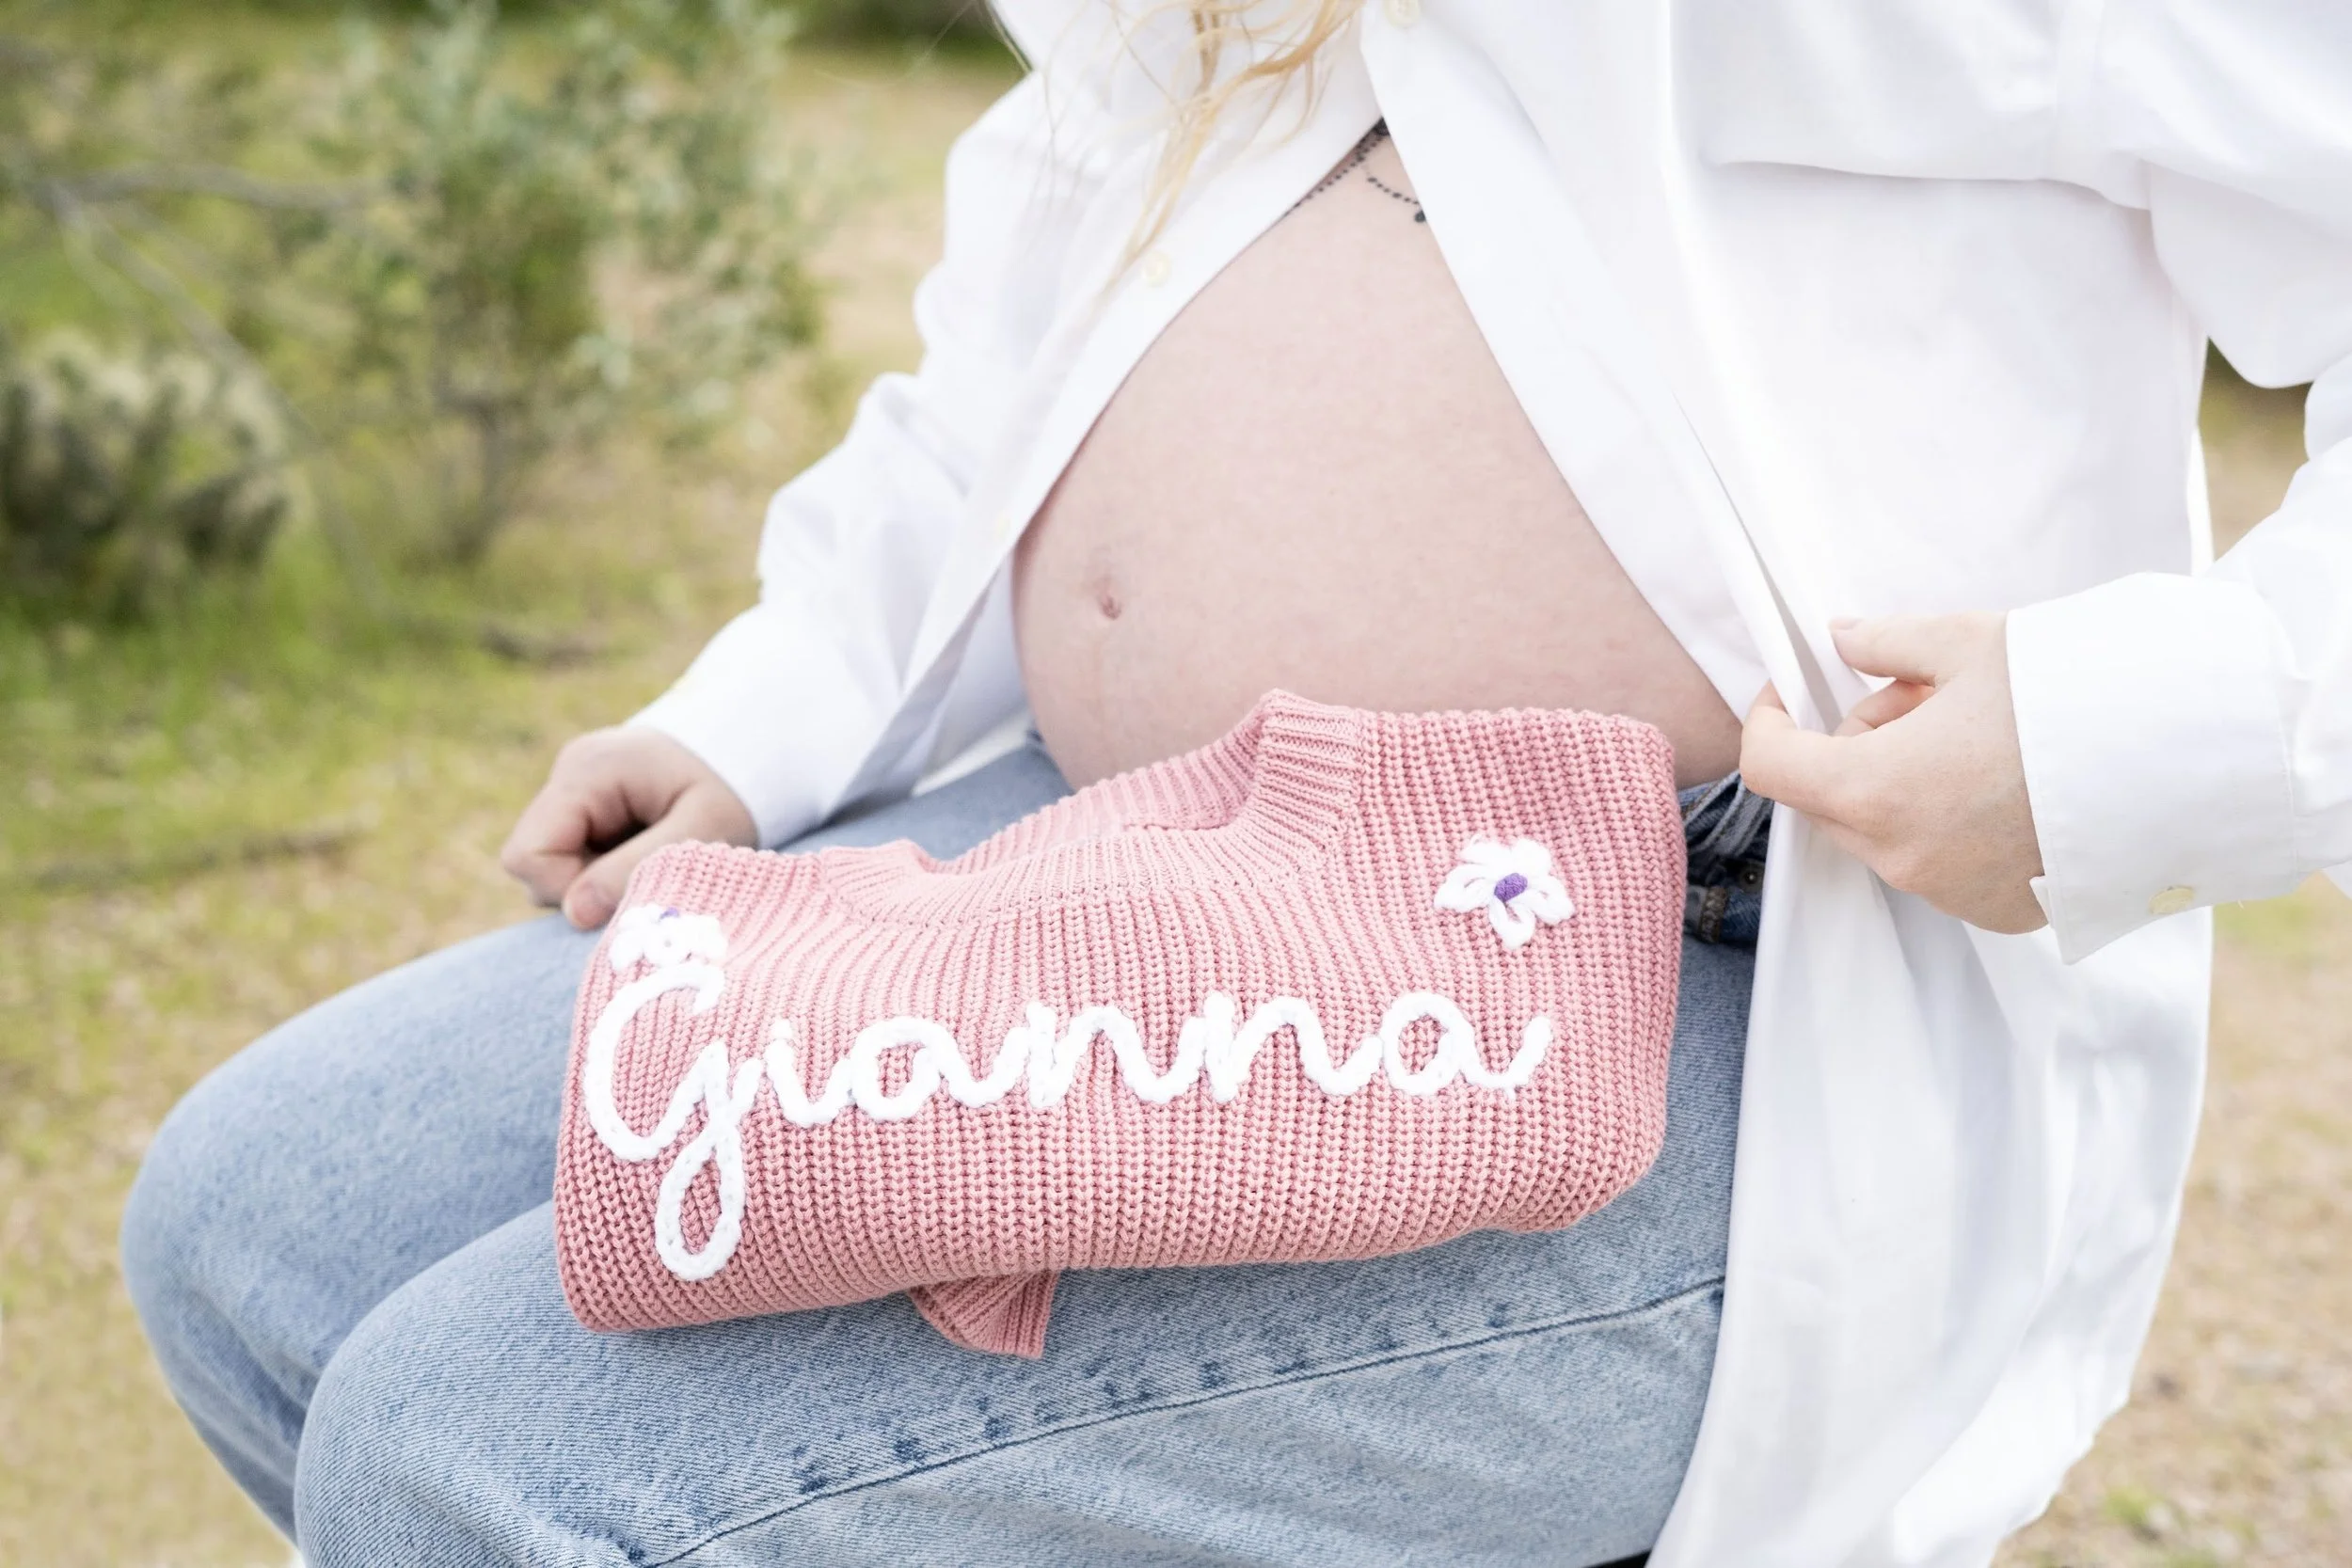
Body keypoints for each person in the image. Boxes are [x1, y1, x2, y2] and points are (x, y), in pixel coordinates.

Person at [119, 3, 2352, 1564]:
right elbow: (1038, 295)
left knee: (475, 1466)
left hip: (1673, 995)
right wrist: (776, 705)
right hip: (1107, 847)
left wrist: (2119, 743)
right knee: (257, 1228)